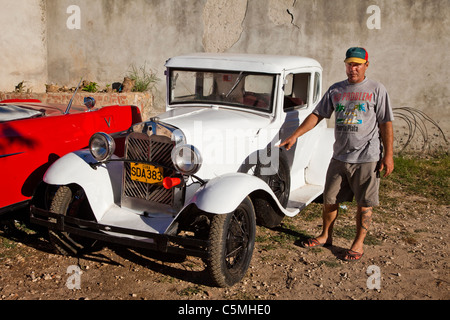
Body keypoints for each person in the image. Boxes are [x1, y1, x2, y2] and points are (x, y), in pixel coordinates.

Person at [280, 47, 394, 261]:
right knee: (329, 199)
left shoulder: (377, 89)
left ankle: (358, 244)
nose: (353, 68)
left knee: (365, 203)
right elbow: (317, 115)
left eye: (358, 64)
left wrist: (388, 155)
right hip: (340, 156)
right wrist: (295, 135)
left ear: (366, 65)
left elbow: (385, 123)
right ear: (346, 65)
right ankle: (325, 236)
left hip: (367, 157)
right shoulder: (336, 90)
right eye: (350, 64)